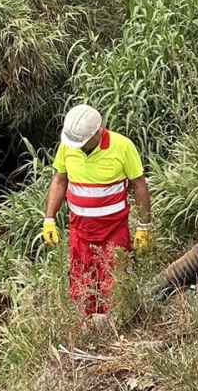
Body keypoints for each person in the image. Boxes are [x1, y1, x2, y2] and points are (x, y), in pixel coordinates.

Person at [41, 104, 153, 318]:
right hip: (80, 231)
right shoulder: (69, 147)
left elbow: (139, 185)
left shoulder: (123, 146)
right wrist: (49, 219)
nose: (79, 147)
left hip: (114, 230)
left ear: (98, 131)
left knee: (115, 282)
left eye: (83, 142)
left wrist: (144, 226)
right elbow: (60, 180)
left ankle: (116, 326)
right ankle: (87, 327)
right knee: (82, 283)